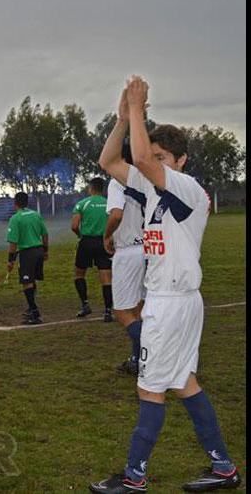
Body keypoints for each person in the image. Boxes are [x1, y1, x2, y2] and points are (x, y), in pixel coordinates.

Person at [89, 76, 241, 493]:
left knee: (149, 388)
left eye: (162, 157)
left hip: (172, 303)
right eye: (154, 155)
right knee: (183, 384)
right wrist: (122, 119)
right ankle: (224, 468)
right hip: (171, 300)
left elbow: (139, 158)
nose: (152, 161)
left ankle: (134, 477)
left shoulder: (186, 189)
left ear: (182, 160)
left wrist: (138, 110)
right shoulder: (153, 189)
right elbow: (110, 162)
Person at [104, 142, 148, 376]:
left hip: (129, 251)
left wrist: (106, 234)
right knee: (140, 310)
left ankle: (156, 355)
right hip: (150, 249)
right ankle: (138, 359)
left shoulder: (118, 180)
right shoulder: (148, 178)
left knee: (122, 312)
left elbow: (117, 214)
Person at [72, 177, 114, 321]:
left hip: (86, 242)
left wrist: (80, 236)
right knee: (106, 278)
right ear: (103, 189)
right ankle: (108, 311)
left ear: (90, 188)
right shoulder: (109, 204)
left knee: (79, 274)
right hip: (104, 242)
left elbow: (74, 226)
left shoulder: (82, 204)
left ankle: (85, 305)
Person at [5, 192, 49, 324]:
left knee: (26, 282)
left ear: (15, 203)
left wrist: (10, 260)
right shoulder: (36, 214)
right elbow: (45, 234)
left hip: (27, 253)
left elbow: (13, 243)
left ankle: (35, 313)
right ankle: (31, 308)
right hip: (39, 250)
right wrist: (45, 250)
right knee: (32, 279)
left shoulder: (15, 218)